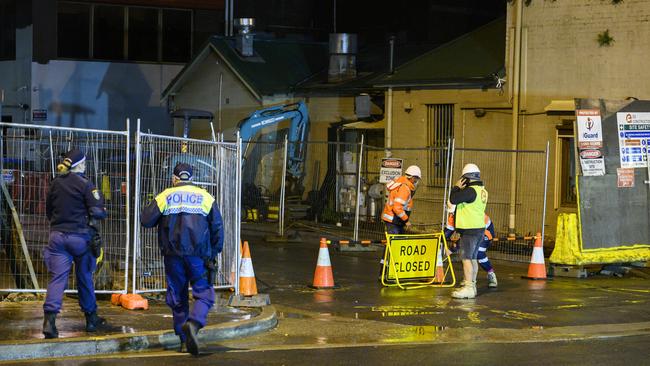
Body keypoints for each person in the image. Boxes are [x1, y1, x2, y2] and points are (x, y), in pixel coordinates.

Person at [140, 163, 224, 355]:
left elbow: (146, 220)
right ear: (192, 178)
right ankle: (194, 324)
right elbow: (217, 227)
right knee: (204, 293)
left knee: (177, 297)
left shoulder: (165, 196)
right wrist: (214, 252)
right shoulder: (205, 197)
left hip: (172, 255)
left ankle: (183, 339)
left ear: (174, 178)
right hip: (198, 255)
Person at [43, 149, 108, 338]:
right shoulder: (86, 185)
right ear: (80, 165)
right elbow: (98, 212)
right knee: (84, 278)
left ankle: (49, 321)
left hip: (57, 238)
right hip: (80, 238)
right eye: (85, 163)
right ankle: (91, 319)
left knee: (57, 279)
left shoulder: (55, 183)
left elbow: (49, 211)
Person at [448, 163, 488, 299]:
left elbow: (453, 199)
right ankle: (472, 284)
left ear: (466, 178)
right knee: (473, 258)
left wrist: (456, 187)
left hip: (470, 230)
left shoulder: (471, 191)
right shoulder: (482, 190)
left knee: (466, 258)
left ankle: (468, 288)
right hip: (478, 228)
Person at [444, 204, 497, 288]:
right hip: (471, 233)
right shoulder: (452, 216)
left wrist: (452, 249)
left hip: (485, 232)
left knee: (478, 253)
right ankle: (469, 280)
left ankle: (489, 274)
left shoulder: (468, 213)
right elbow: (446, 233)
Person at [381, 165, 422, 234]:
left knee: (396, 241)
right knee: (395, 242)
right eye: (416, 179)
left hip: (394, 219)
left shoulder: (401, 183)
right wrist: (406, 220)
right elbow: (397, 207)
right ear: (412, 177)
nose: (416, 181)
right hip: (394, 220)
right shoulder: (405, 188)